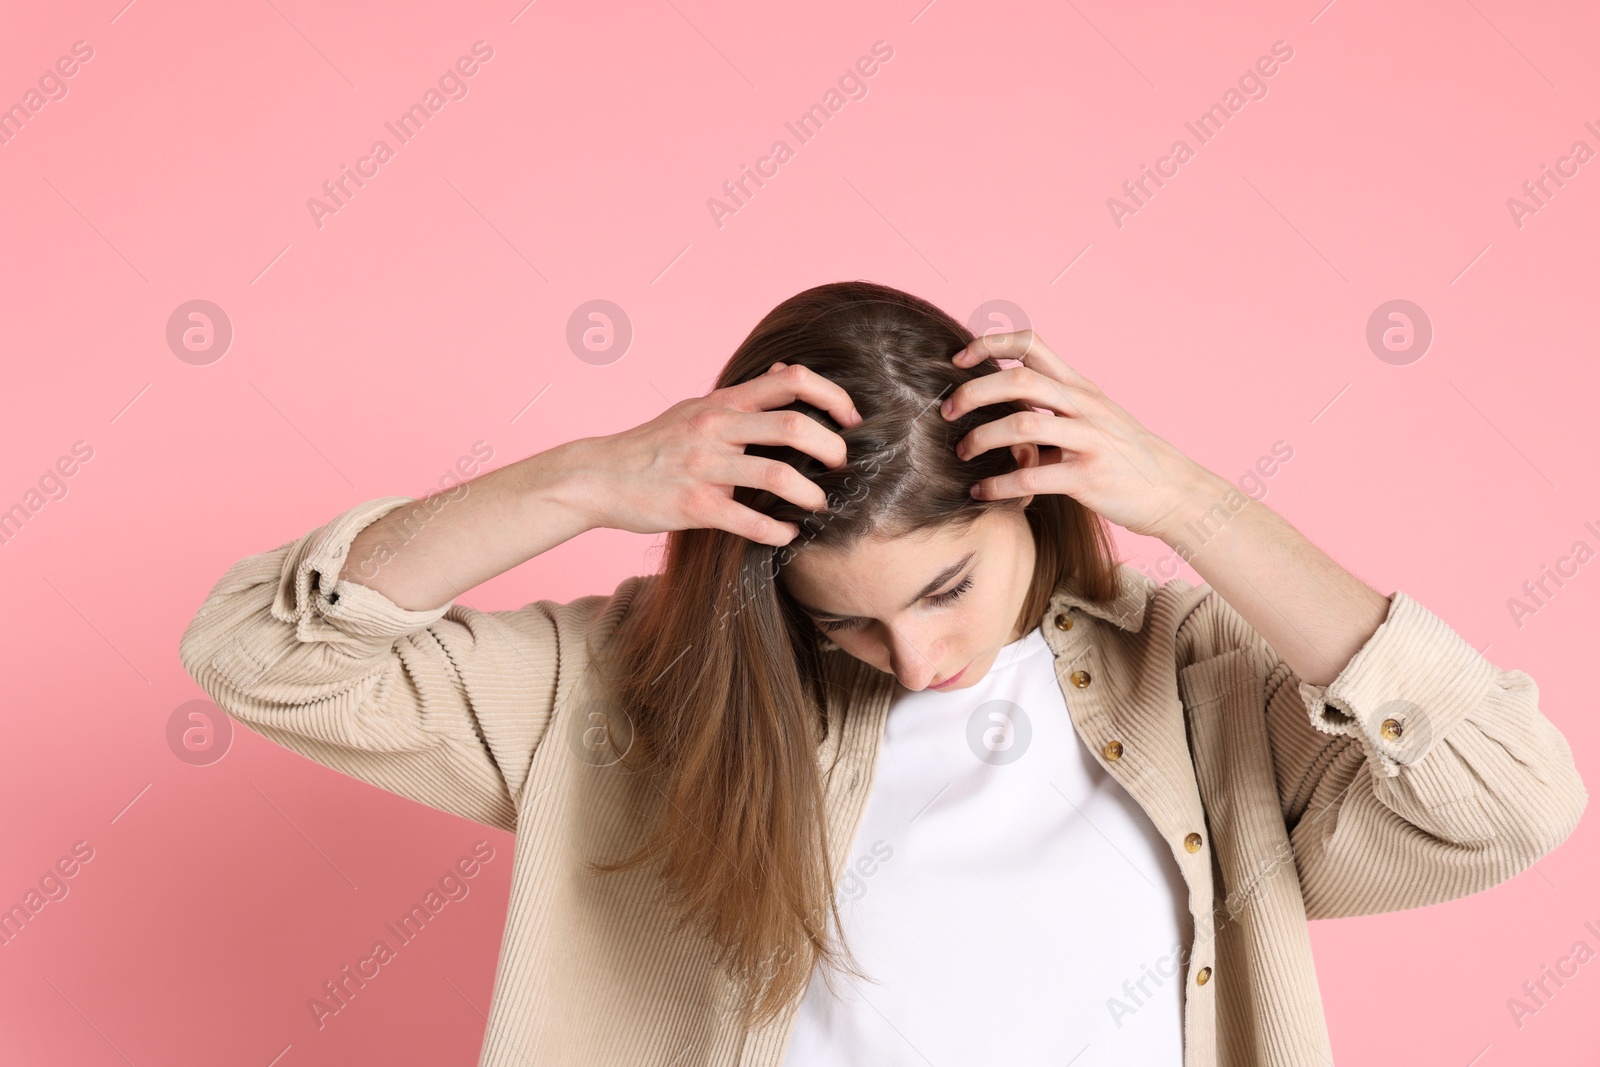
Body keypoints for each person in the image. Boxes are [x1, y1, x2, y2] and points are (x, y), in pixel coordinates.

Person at [178, 280, 1586, 1067]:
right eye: (844, 625)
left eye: (948, 588)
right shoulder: (627, 697)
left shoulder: (1200, 686)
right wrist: (589, 478)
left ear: (1033, 500)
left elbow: (1509, 802)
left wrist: (1198, 508)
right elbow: (258, 650)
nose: (917, 664)